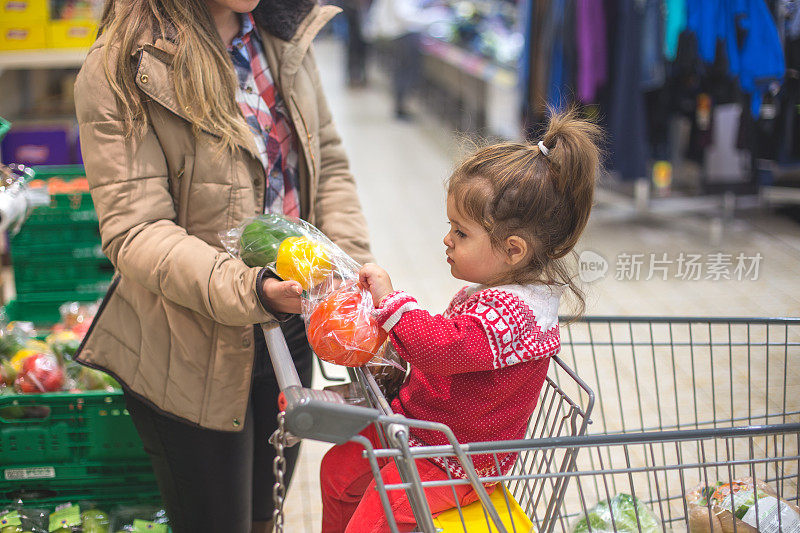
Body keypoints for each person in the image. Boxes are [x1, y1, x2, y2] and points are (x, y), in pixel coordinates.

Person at [72, 0, 372, 532]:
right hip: (189, 352)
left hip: (291, 330)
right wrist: (252, 290)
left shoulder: (281, 31)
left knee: (263, 515)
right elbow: (136, 230)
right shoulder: (126, 64)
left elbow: (327, 162)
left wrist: (353, 272)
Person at [320, 109, 601, 533]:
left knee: (376, 517)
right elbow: (454, 346)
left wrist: (390, 299)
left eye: (461, 232)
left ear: (513, 250)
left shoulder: (510, 315)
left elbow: (440, 349)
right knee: (338, 470)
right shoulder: (494, 295)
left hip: (455, 459)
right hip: (421, 432)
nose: (447, 239)